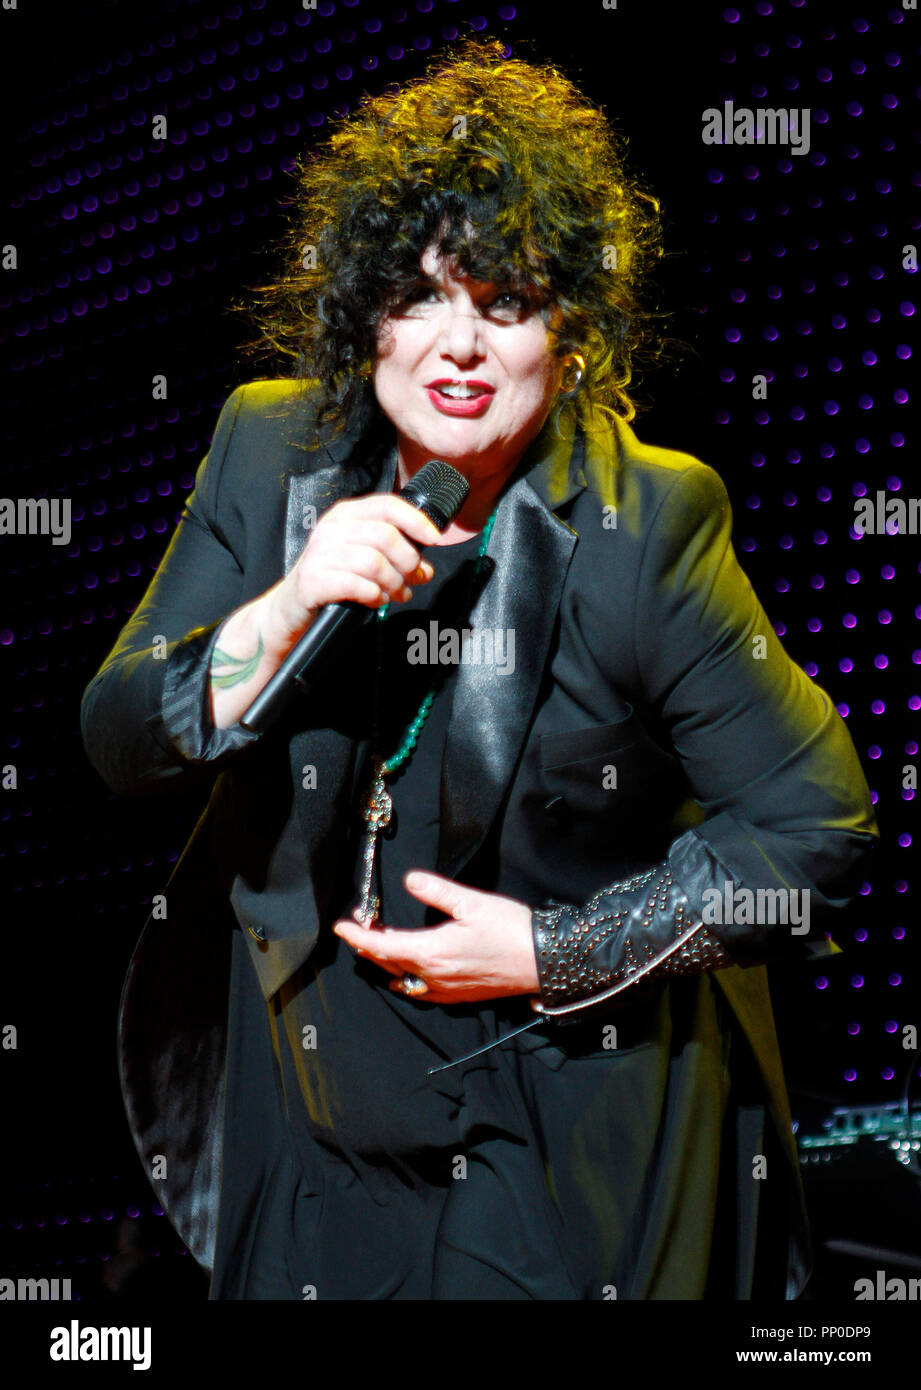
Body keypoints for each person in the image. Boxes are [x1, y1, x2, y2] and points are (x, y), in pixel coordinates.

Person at [81, 39, 878, 1300]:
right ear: (364, 317)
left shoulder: (648, 524)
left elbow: (815, 830)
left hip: (550, 1125)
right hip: (309, 1111)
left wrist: (559, 950)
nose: (458, 345)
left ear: (565, 331)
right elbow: (121, 731)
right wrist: (286, 606)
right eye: (421, 298)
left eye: (504, 304)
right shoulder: (264, 448)